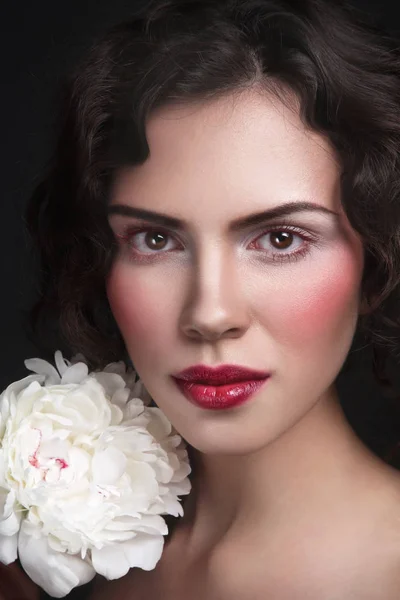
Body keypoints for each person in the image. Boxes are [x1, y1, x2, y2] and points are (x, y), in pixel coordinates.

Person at [19, 0, 400, 597]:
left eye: (280, 239)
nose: (211, 315)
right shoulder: (64, 569)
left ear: (377, 259)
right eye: (156, 239)